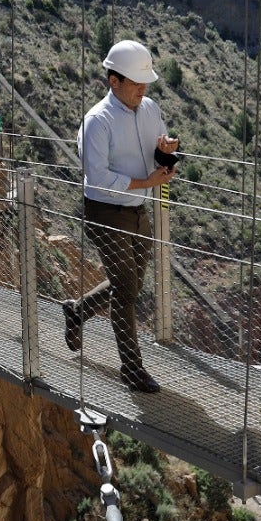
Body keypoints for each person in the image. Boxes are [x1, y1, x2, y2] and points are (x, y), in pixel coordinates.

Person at [64, 39, 180, 394]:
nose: (142, 88)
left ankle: (77, 311)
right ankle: (131, 369)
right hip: (103, 211)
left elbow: (157, 158)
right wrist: (148, 181)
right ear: (113, 81)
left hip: (137, 209)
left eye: (145, 81)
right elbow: (98, 177)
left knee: (128, 285)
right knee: (127, 289)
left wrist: (167, 155)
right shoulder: (97, 121)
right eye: (134, 81)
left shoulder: (150, 109)